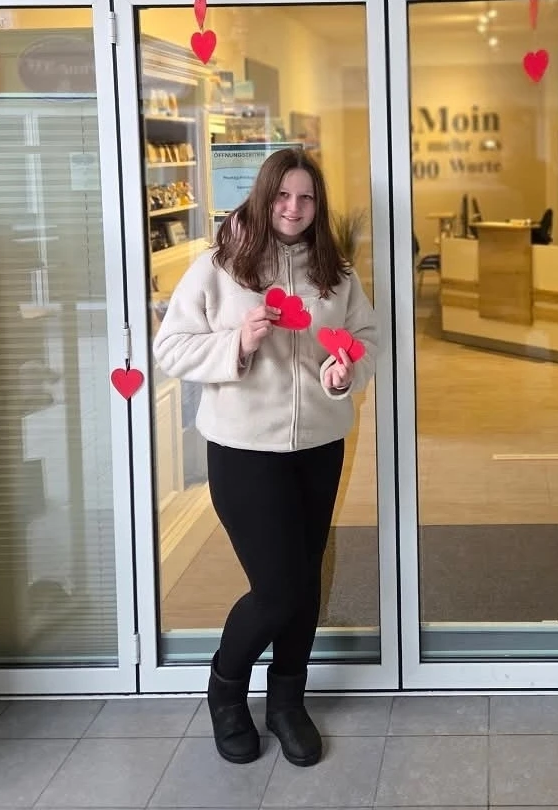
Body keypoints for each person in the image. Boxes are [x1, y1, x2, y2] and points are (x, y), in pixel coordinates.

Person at [152, 148, 380, 767]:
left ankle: (286, 702)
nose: (293, 208)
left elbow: (366, 339)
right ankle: (226, 691)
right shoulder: (220, 266)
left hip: (318, 448)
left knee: (304, 584)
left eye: (306, 198)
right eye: (283, 195)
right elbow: (170, 347)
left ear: (317, 204)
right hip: (243, 451)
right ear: (263, 196)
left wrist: (343, 373)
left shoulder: (336, 272)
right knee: (278, 590)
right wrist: (238, 342)